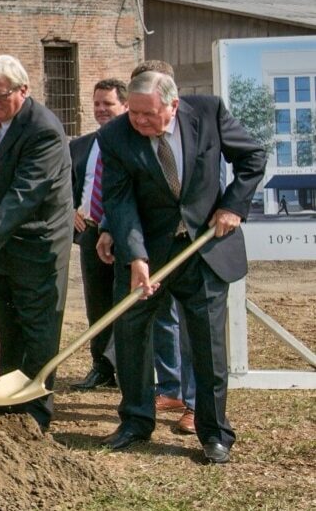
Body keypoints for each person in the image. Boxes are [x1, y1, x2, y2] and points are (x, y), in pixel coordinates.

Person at [97, 71, 265, 465]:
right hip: (147, 252)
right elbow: (119, 201)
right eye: (133, 114)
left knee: (207, 343)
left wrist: (233, 206)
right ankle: (136, 421)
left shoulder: (208, 112)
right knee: (133, 335)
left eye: (148, 114)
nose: (139, 122)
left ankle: (214, 432)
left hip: (202, 250)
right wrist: (136, 256)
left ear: (172, 105)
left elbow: (252, 156)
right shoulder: (116, 136)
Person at [0, 55, 73, 432]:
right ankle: (9, 406)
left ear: (24, 90)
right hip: (2, 248)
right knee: (10, 329)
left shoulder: (44, 131)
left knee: (37, 330)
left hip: (36, 246)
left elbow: (24, 195)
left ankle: (35, 413)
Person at [69, 78, 128, 392]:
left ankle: (129, 369)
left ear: (125, 105)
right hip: (90, 234)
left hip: (126, 233)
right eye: (97, 104)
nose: (101, 109)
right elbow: (64, 183)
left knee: (127, 303)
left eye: (108, 103)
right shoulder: (81, 145)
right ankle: (102, 367)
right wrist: (70, 209)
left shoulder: (134, 143)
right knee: (97, 303)